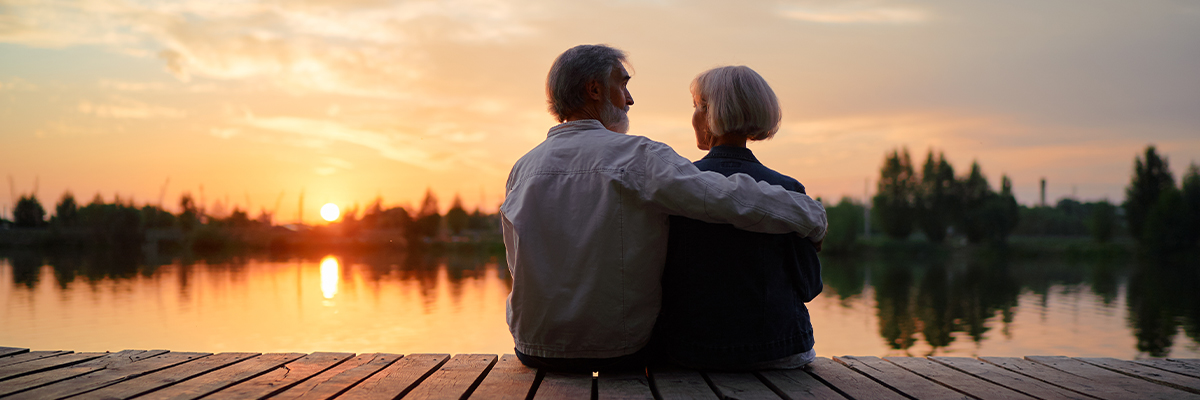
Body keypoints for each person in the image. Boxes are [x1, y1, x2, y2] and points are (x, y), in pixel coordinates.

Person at [500, 45, 827, 372]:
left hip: (532, 349)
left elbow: (518, 266)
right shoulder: (636, 156)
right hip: (617, 351)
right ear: (595, 89)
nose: (629, 99)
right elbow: (725, 197)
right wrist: (810, 216)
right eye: (623, 84)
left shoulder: (522, 169)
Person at [653, 65, 821, 370]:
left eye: (695, 106)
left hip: (689, 351)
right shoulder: (788, 189)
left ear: (708, 113)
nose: (693, 116)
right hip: (778, 351)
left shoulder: (675, 186)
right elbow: (809, 286)